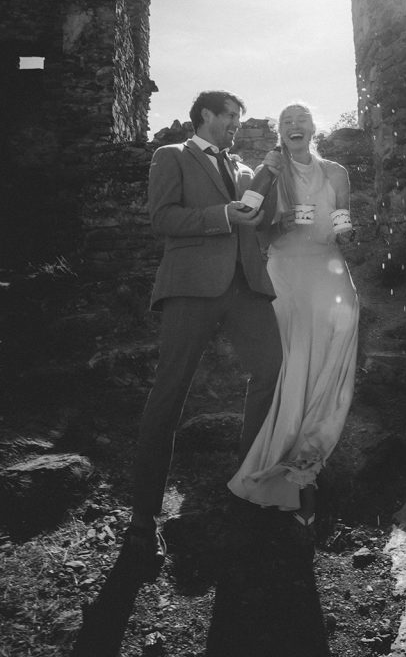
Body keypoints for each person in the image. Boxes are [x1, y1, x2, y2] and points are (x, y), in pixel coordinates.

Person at [124, 90, 283, 565]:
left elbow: (255, 220)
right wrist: (220, 216)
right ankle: (142, 519)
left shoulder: (239, 168)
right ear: (205, 116)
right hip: (192, 287)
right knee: (170, 393)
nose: (235, 122)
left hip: (246, 288)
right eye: (229, 115)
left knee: (272, 368)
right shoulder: (171, 155)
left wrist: (266, 191)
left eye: (238, 116)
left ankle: (248, 480)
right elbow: (162, 218)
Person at [228, 102, 359, 528]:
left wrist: (345, 230)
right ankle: (284, 463)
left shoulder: (336, 171)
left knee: (334, 348)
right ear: (280, 134)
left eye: (301, 118)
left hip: (327, 268)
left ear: (313, 127)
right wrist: (267, 178)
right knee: (292, 360)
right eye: (286, 121)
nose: (294, 125)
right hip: (285, 270)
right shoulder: (268, 171)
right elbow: (249, 219)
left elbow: (341, 221)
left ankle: (311, 452)